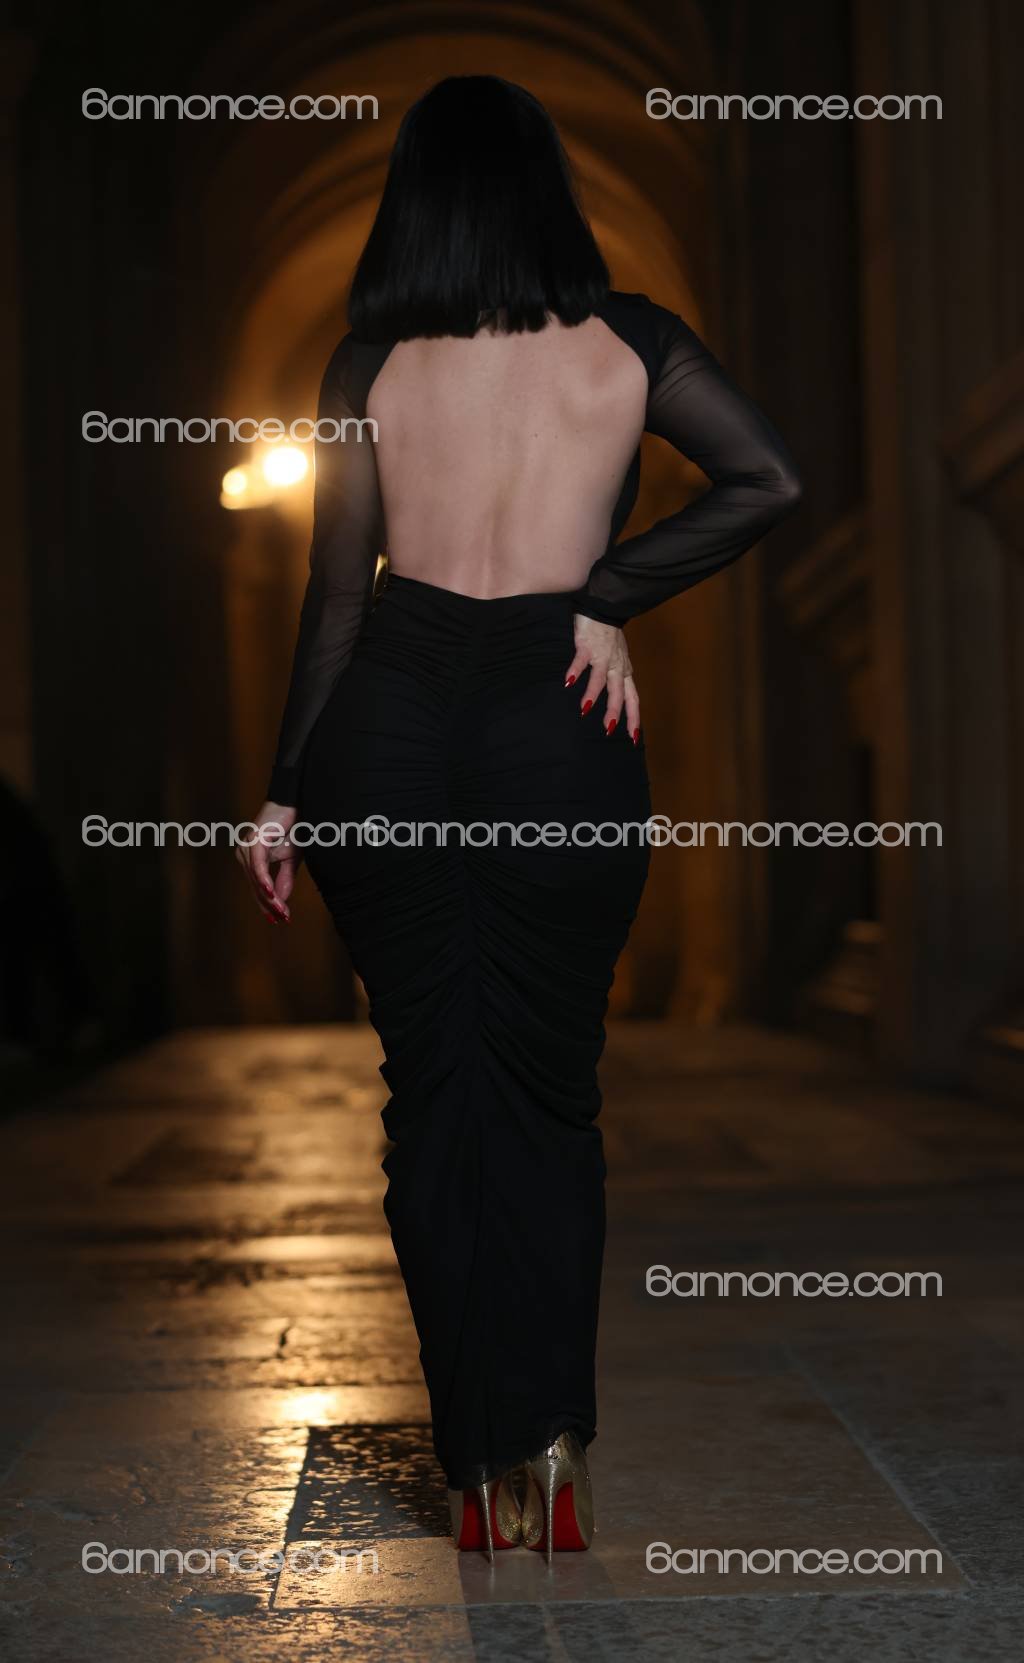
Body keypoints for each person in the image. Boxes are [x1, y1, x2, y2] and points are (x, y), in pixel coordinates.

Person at [237, 74, 801, 1562]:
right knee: (550, 1096)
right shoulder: (634, 343)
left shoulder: (368, 364)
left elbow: (336, 595)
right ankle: (552, 1453)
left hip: (387, 724)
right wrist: (609, 594)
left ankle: (473, 1470)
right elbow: (765, 479)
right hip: (560, 716)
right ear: (550, 191)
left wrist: (286, 789)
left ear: (413, 201)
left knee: (432, 1094)